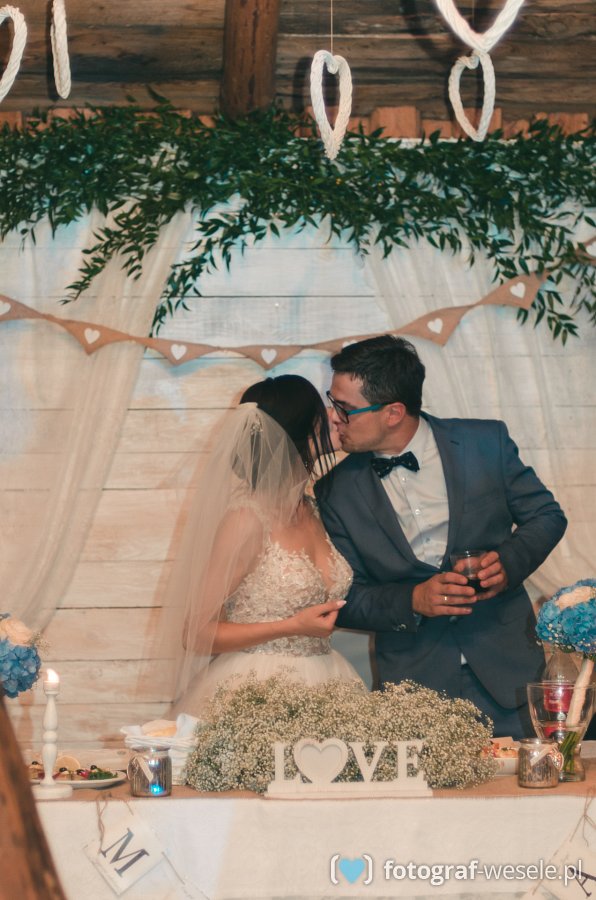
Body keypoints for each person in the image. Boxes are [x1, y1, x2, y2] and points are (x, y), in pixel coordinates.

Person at [315, 335, 567, 739]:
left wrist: (508, 563)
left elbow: (547, 515)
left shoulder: (484, 443)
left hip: (511, 678)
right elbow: (345, 598)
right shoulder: (334, 491)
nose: (334, 418)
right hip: (414, 692)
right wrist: (412, 600)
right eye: (333, 403)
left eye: (344, 408)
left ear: (393, 412)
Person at [170, 374, 362, 716]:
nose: (334, 416)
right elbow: (196, 633)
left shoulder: (314, 508)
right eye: (321, 412)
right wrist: (290, 627)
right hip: (257, 690)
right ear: (295, 430)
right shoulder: (246, 520)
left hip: (327, 678)